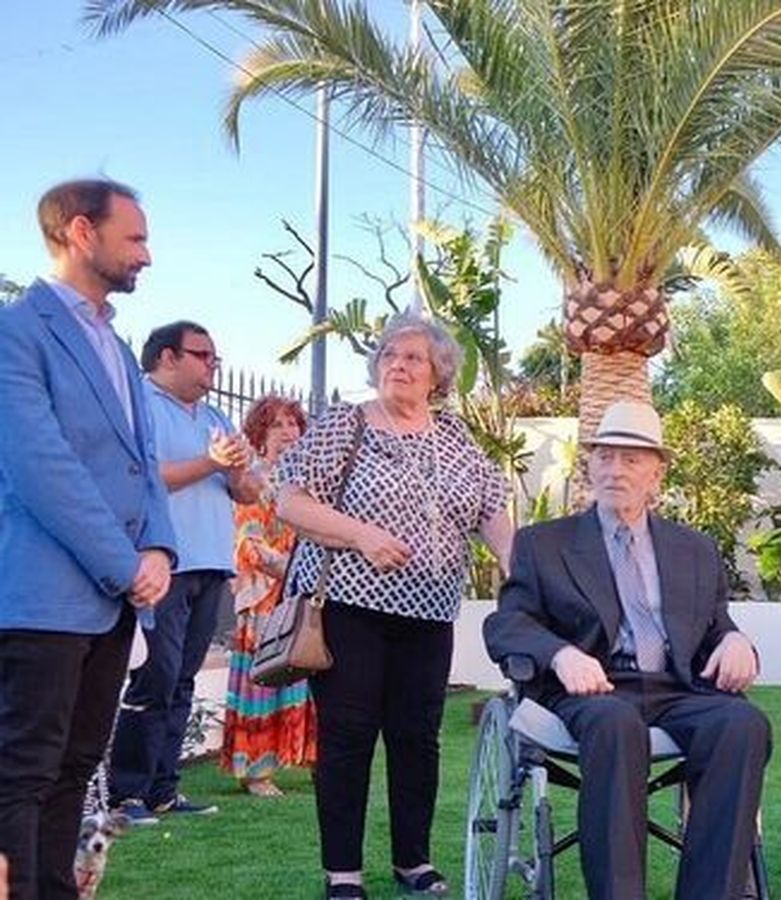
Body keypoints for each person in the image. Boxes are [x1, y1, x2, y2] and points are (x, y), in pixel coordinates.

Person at [485, 401, 771, 900]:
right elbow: (508, 622)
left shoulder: (695, 549)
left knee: (742, 724)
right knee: (616, 724)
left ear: (656, 474)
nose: (616, 469)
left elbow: (715, 622)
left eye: (632, 459)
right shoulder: (543, 544)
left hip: (676, 687)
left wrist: (735, 640)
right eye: (606, 457)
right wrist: (560, 655)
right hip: (591, 690)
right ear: (590, 466)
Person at [275, 314, 512, 899]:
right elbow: (289, 501)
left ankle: (413, 860)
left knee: (417, 736)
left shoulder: (456, 437)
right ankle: (344, 872)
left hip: (429, 613)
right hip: (350, 606)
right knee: (349, 735)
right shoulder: (346, 423)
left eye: (412, 358)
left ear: (437, 374)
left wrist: (518, 567)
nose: (398, 365)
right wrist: (361, 534)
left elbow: (489, 510)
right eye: (389, 355)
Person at [0, 179, 175, 900]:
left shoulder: (116, 341)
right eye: (133, 238)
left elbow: (143, 462)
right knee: (23, 772)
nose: (147, 255)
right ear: (80, 232)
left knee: (76, 768)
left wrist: (161, 549)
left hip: (118, 599)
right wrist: (125, 564)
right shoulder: (19, 330)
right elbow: (41, 466)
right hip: (43, 599)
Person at [107, 321, 263, 824]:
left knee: (183, 681)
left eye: (215, 358)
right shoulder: (141, 405)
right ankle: (125, 794)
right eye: (203, 355)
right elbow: (141, 479)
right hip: (161, 564)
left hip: (212, 562)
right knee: (155, 677)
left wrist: (236, 470)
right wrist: (210, 462)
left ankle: (163, 791)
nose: (212, 366)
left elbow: (249, 491)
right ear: (168, 358)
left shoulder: (216, 413)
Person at [220, 395, 315, 797]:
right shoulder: (252, 480)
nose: (288, 432)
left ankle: (312, 759)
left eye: (293, 424)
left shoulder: (306, 480)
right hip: (262, 598)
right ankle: (256, 770)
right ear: (259, 433)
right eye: (277, 425)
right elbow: (248, 545)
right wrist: (294, 570)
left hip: (301, 594)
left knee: (310, 679)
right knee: (263, 682)